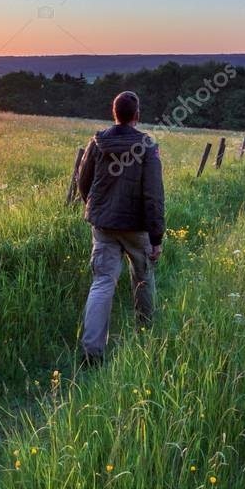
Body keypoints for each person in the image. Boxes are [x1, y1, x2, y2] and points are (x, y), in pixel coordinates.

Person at [76, 91, 165, 364]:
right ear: (137, 115)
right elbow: (153, 196)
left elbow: (83, 181)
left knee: (102, 283)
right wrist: (156, 237)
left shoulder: (98, 142)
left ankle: (92, 352)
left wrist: (96, 207)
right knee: (142, 278)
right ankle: (145, 337)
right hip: (136, 228)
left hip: (103, 225)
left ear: (114, 113)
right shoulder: (147, 146)